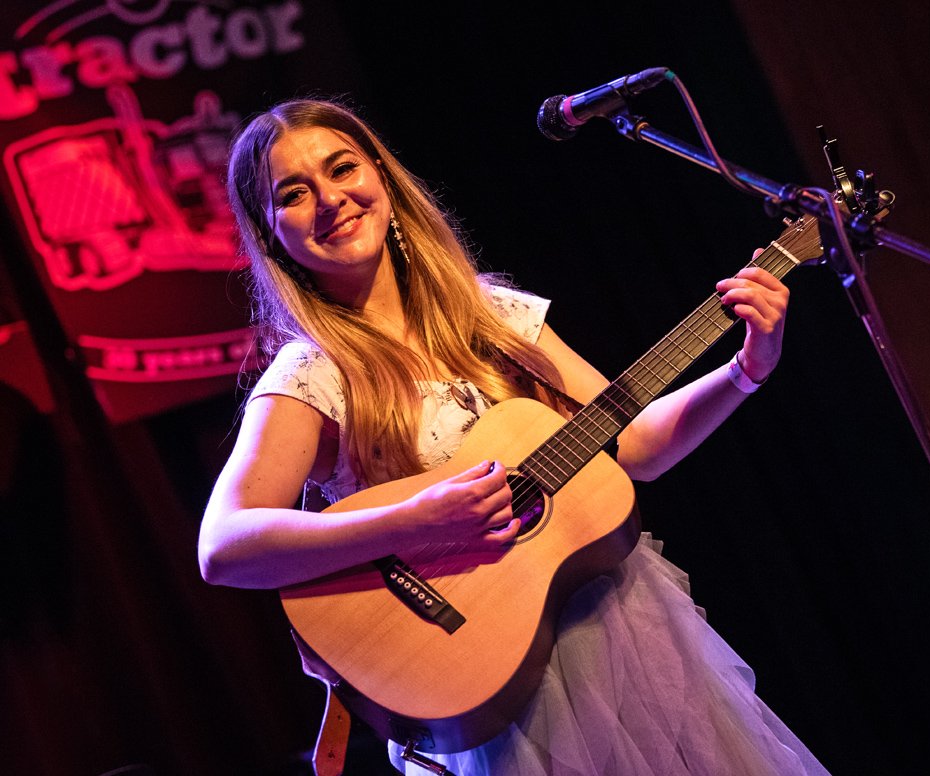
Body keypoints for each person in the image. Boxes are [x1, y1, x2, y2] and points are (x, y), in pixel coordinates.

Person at [198, 98, 828, 776]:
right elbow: (224, 546)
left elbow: (637, 446)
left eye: (342, 167)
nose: (330, 199)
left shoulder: (492, 316)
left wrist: (746, 370)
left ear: (380, 175)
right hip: (486, 687)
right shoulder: (316, 371)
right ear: (270, 235)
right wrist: (411, 521)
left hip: (621, 637)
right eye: (294, 193)